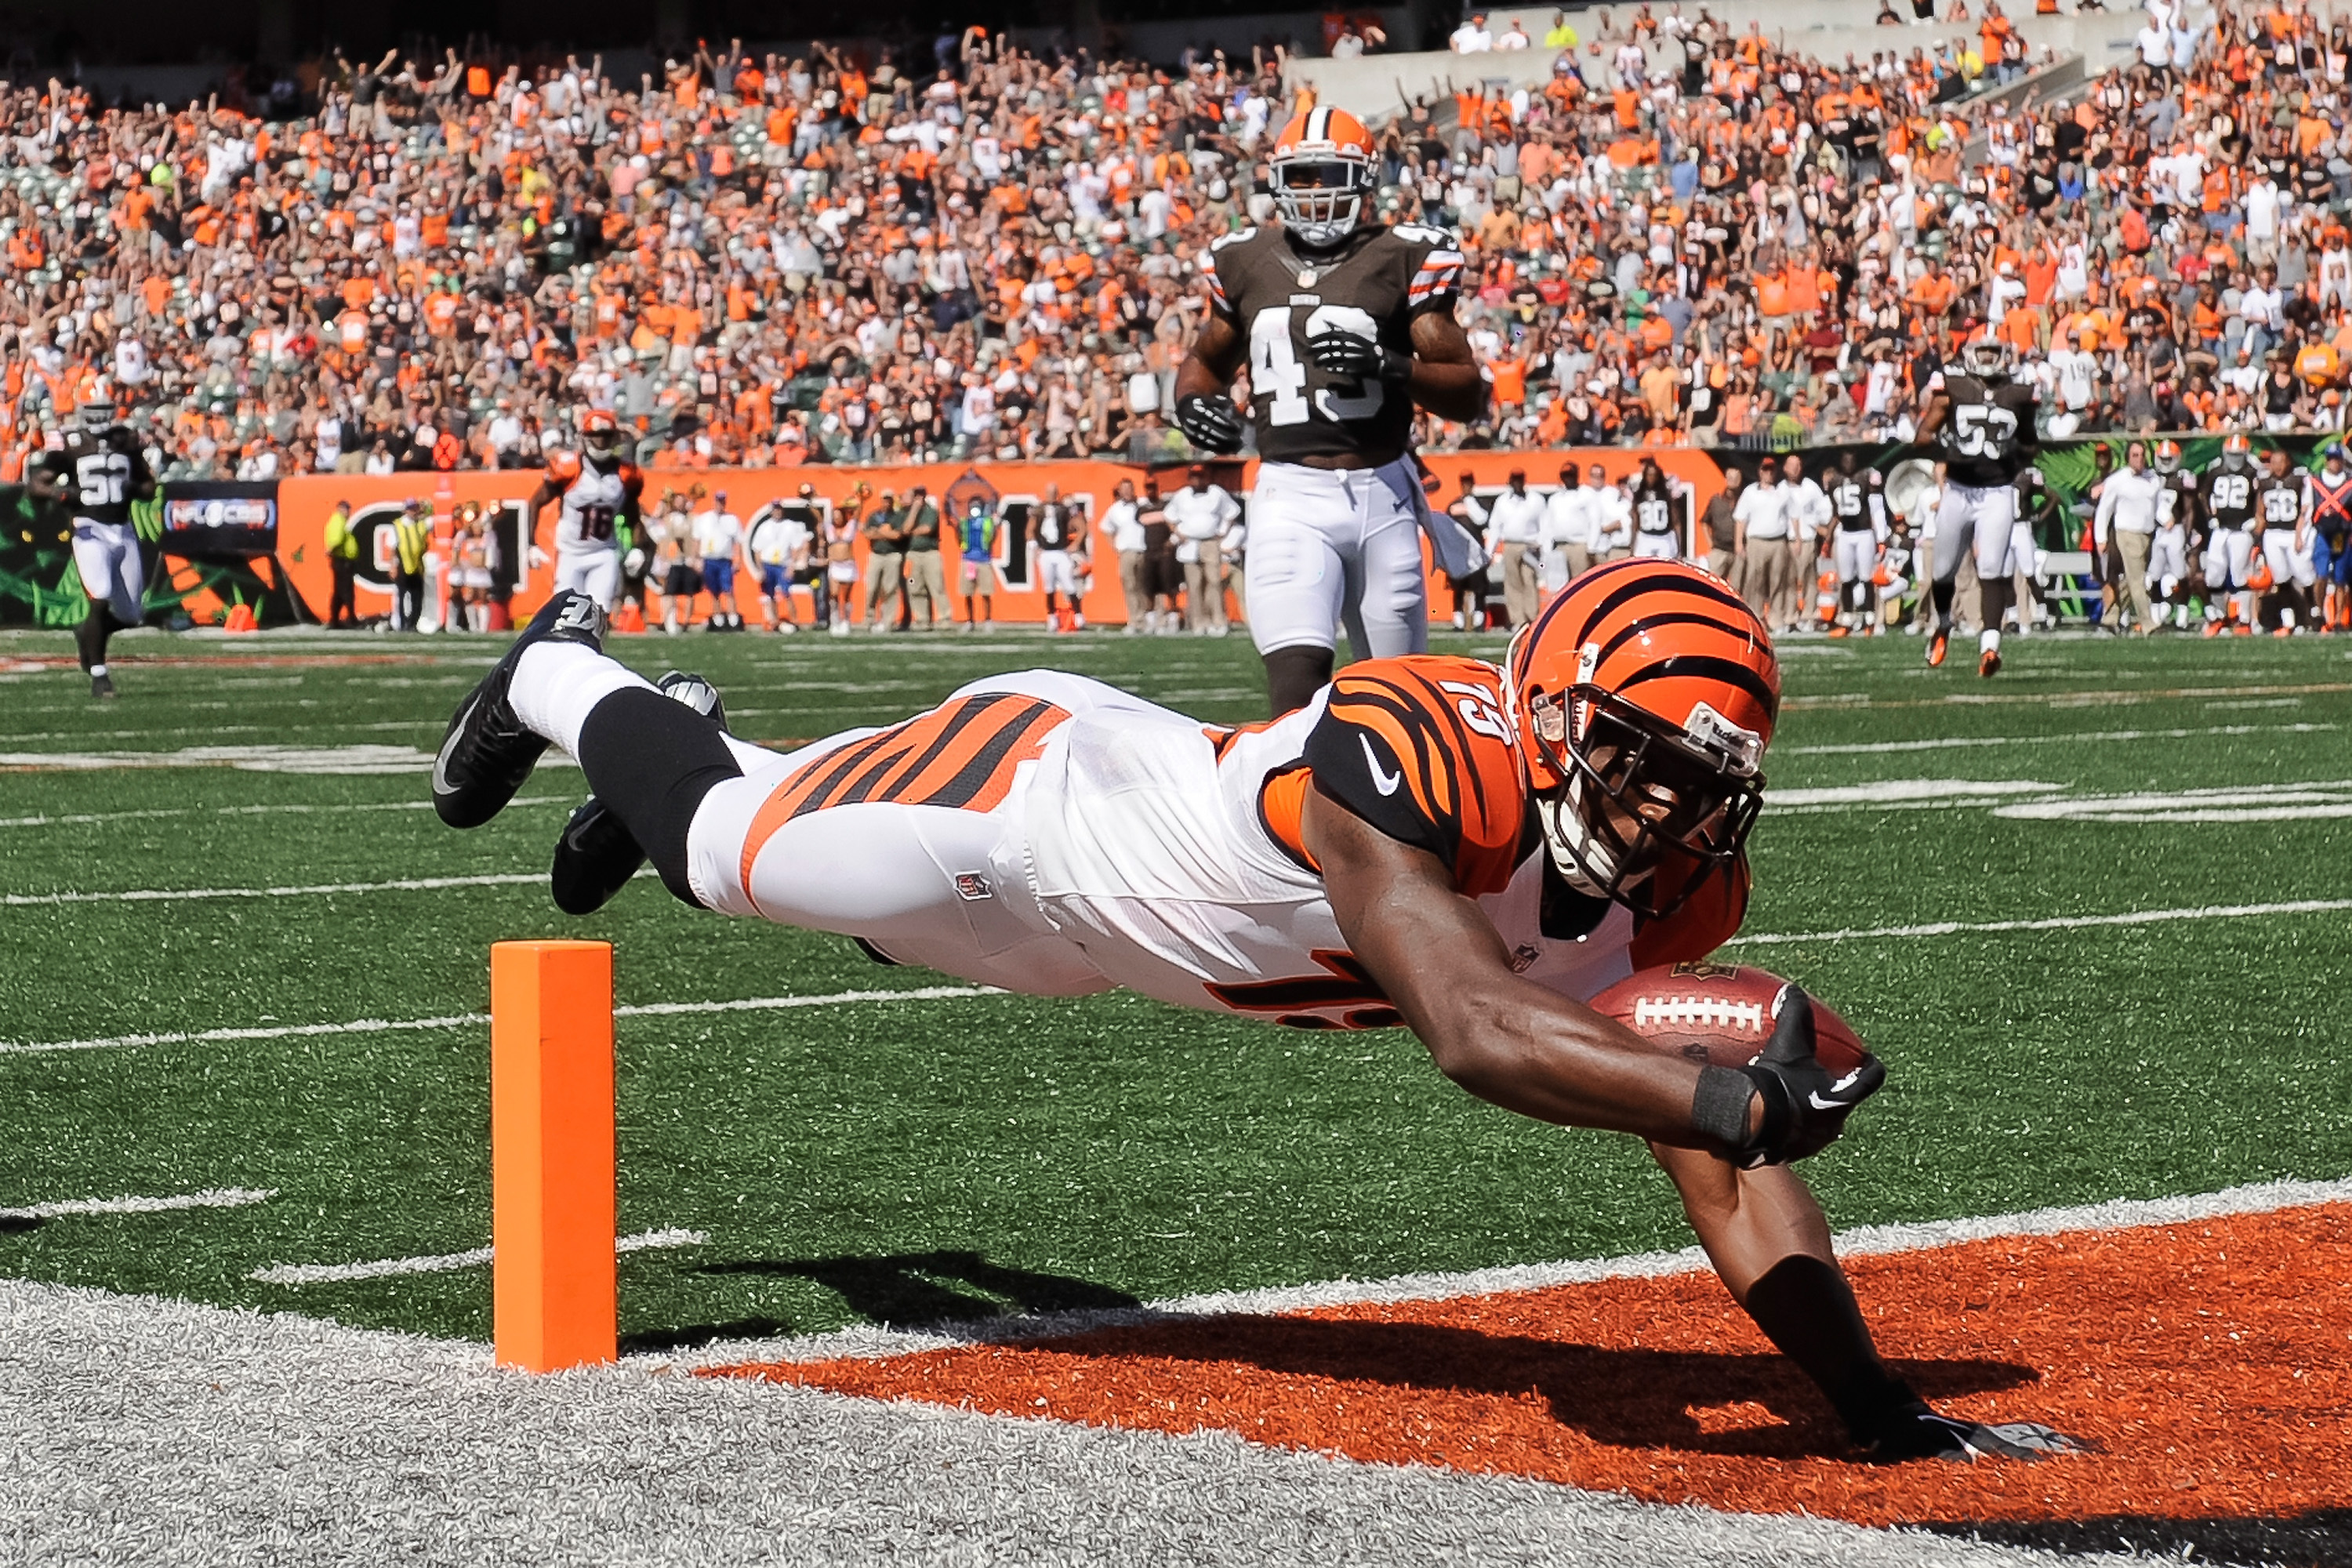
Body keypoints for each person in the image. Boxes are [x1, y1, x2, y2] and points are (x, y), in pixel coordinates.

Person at [434, 567, 2081, 1466]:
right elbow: (1474, 1031)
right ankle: (566, 680)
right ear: (1555, 717)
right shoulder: (1413, 747)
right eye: (1637, 762)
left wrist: (1879, 1410)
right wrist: (1731, 1095)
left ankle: (678, 753)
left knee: (793, 872)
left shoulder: (1684, 900)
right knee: (727, 856)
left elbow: (1712, 1161)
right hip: (1034, 805)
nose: (1658, 817)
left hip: (1099, 950)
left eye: (1696, 790)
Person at [1173, 107, 1486, 716]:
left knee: (1398, 701)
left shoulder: (1404, 255)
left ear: (1365, 179)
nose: (1315, 190)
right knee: (1296, 682)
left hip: (1383, 494)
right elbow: (1205, 358)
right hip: (1289, 493)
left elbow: (1469, 394)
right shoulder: (1243, 259)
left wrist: (1389, 365)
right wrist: (1190, 401)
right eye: (1303, 175)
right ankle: (1292, 808)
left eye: (1329, 174)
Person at [1915, 338, 2040, 677]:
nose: (1987, 357)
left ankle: (1990, 647)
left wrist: (2015, 453)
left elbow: (2031, 443)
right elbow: (1922, 435)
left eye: (1994, 352)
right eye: (1982, 351)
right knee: (1942, 571)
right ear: (1970, 354)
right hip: (1958, 489)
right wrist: (1948, 444)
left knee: (1992, 570)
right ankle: (1942, 625)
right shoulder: (1952, 386)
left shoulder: (2019, 392)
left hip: (1997, 491)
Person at [31, 393, 157, 699]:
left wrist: (135, 488)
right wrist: (60, 494)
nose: (99, 416)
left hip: (123, 529)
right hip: (89, 529)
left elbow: (150, 487)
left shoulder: (125, 439)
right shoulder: (68, 441)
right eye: (93, 410)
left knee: (131, 614)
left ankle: (88, 633)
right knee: (99, 597)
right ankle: (100, 675)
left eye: (104, 409)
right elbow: (37, 484)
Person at [526, 408, 641, 613]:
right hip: (570, 553)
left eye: (606, 436)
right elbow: (535, 502)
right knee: (566, 615)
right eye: (597, 436)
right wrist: (530, 544)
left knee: (599, 615)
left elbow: (633, 513)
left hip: (604, 553)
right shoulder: (569, 469)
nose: (602, 441)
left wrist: (636, 547)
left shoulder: (627, 474)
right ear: (586, 437)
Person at [2092, 444, 2163, 635]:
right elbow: (2104, 510)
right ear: (2127, 458)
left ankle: (2110, 618)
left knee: (2131, 581)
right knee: (2138, 581)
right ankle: (2148, 624)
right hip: (2127, 534)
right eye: (2134, 455)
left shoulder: (2153, 479)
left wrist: (2166, 519)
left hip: (2147, 535)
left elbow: (2157, 507)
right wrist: (2101, 538)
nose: (2139, 458)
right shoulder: (2117, 480)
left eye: (2141, 455)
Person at [1166, 464, 1240, 635]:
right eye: (1194, 477)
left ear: (1207, 478)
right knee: (1194, 584)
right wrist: (1177, 533)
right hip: (1189, 543)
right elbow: (1169, 516)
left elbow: (1232, 512)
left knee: (1214, 581)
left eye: (1201, 477)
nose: (1198, 480)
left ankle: (1218, 620)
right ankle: (1198, 622)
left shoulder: (1216, 493)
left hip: (1210, 542)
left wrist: (1222, 533)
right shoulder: (1182, 495)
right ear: (1189, 479)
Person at [2198, 434, 2259, 637]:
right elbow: (2202, 494)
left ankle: (2244, 619)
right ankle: (2219, 617)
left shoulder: (2252, 471)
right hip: (2221, 529)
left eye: (2238, 455)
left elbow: (2260, 495)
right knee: (2213, 575)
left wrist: (2255, 518)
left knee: (2240, 574)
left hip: (2242, 529)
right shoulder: (2216, 471)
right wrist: (2209, 516)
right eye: (2232, 454)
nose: (2234, 459)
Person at [2254, 446, 2315, 635]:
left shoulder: (2298, 479)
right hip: (2272, 534)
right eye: (2274, 463)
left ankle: (2313, 614)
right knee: (2281, 578)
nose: (2277, 467)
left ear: (2288, 462)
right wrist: (2258, 539)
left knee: (2304, 575)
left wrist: (2300, 535)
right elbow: (2260, 511)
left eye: (2280, 463)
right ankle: (2289, 620)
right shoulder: (2265, 482)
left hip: (2291, 533)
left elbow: (2304, 509)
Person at [1824, 455, 1887, 637]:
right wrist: (1828, 538)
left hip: (1864, 532)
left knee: (1866, 577)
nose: (1848, 463)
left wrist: (1881, 537)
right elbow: (1836, 513)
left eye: (1852, 460)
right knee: (1845, 579)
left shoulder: (1866, 476)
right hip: (1845, 533)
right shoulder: (1835, 481)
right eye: (1845, 460)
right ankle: (1847, 619)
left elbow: (1876, 506)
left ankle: (1870, 619)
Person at [2305, 441, 2352, 632]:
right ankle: (2319, 611)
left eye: (2337, 459)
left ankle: (2340, 618)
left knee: (2340, 577)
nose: (2334, 463)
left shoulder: (2349, 481)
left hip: (2341, 534)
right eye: (2331, 459)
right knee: (2321, 574)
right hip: (2322, 533)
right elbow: (2306, 508)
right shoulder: (2315, 481)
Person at [748, 493, 810, 633]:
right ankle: (774, 621)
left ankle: (794, 620)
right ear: (771, 511)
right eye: (775, 509)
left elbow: (796, 547)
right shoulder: (764, 527)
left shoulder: (789, 526)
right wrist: (760, 569)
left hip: (783, 563)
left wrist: (792, 566)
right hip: (768, 563)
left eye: (779, 509)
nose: (777, 511)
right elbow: (757, 549)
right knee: (770, 595)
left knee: (786, 593)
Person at [695, 489, 749, 631]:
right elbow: (697, 540)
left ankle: (733, 618)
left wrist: (738, 560)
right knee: (713, 590)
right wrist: (697, 558)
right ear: (714, 502)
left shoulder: (732, 519)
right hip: (708, 558)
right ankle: (717, 618)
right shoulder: (704, 518)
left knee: (728, 589)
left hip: (725, 559)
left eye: (722, 501)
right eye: (718, 501)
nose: (720, 504)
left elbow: (738, 542)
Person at [1101, 478, 1149, 633]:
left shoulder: (1143, 504)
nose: (1127, 492)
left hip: (1144, 550)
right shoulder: (1115, 509)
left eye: (1130, 488)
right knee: (1130, 586)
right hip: (1127, 551)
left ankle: (1147, 619)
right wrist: (1115, 546)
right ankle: (1135, 620)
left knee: (1145, 586)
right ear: (1120, 492)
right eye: (1124, 489)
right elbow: (1105, 527)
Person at [1033, 483, 1083, 633]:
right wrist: (1034, 546)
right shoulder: (1039, 509)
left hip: (1061, 551)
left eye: (1054, 492)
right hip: (1046, 552)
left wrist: (1076, 543)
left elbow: (1081, 526)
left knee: (1069, 584)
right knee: (1049, 587)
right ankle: (1051, 618)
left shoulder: (1064, 509)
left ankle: (1079, 616)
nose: (1051, 495)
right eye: (1049, 492)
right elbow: (1030, 529)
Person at [859, 485, 906, 632]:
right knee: (872, 588)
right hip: (876, 554)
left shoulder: (898, 516)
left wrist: (879, 532)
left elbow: (898, 535)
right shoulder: (874, 516)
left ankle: (888, 621)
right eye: (884, 500)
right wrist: (885, 532)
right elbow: (868, 534)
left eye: (889, 500)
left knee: (890, 589)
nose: (887, 503)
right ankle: (869, 619)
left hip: (893, 554)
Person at [902, 485, 948, 630]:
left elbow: (927, 529)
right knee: (914, 587)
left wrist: (911, 532)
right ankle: (922, 620)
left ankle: (944, 619)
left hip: (930, 554)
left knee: (937, 587)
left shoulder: (931, 511)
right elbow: (905, 529)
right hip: (912, 555)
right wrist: (914, 510)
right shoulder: (907, 513)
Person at [1627, 458, 1684, 561]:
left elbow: (1676, 522)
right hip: (1645, 537)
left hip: (1664, 537)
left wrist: (1680, 548)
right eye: (1649, 475)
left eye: (1654, 475)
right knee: (1643, 568)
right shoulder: (1639, 495)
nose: (1651, 478)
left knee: (1665, 569)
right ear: (1644, 476)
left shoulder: (1667, 495)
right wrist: (1632, 546)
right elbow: (1635, 522)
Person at [955, 497, 1000, 630]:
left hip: (984, 560)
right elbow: (959, 538)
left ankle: (987, 620)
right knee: (967, 592)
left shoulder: (987, 522)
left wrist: (995, 524)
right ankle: (970, 620)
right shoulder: (964, 522)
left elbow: (992, 537)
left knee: (986, 592)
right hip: (968, 560)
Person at [391, 502, 432, 633]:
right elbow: (392, 547)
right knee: (402, 597)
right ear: (406, 511)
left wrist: (427, 509)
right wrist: (393, 565)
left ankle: (413, 623)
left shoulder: (420, 524)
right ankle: (403, 624)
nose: (414, 512)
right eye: (411, 509)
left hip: (417, 565)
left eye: (415, 509)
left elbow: (431, 521)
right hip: (403, 565)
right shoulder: (398, 525)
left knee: (417, 596)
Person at [323, 499, 361, 628]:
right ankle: (351, 618)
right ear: (340, 508)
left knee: (339, 591)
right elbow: (337, 538)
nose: (348, 512)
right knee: (347, 591)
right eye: (346, 509)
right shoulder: (338, 520)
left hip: (342, 560)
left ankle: (335, 620)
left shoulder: (339, 521)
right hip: (342, 560)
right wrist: (331, 549)